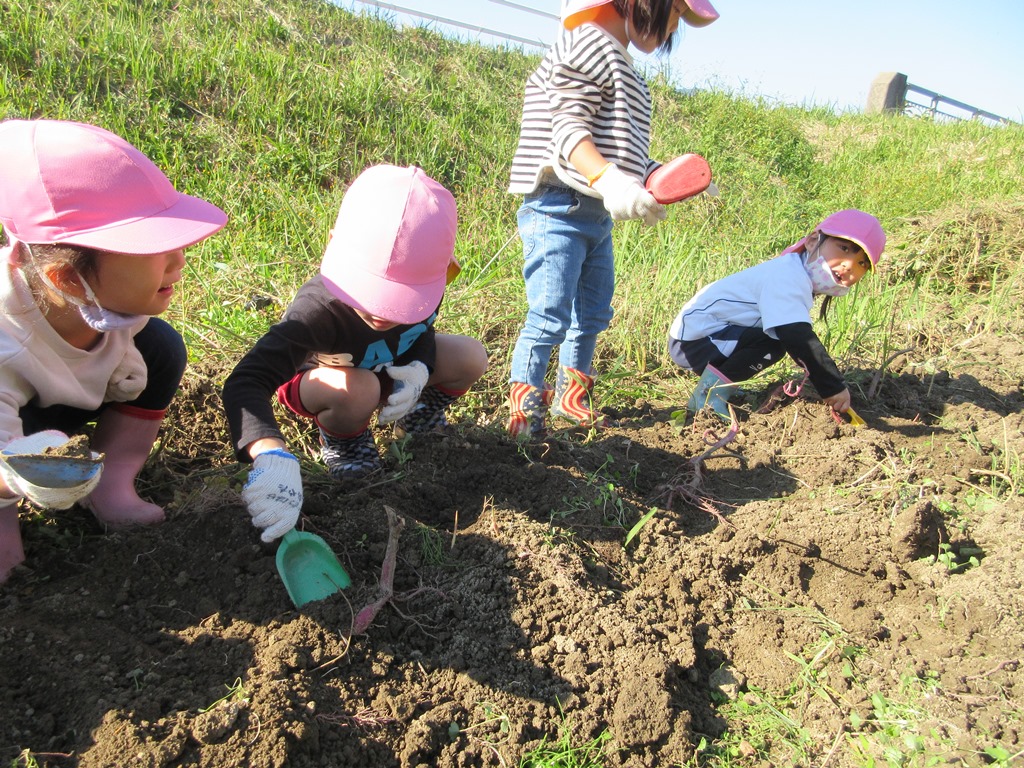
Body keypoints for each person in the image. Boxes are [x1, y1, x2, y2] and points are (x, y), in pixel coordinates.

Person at [0, 118, 227, 583]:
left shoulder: (102, 302)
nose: (179, 261)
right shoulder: (7, 343)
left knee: (161, 347)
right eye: (153, 250)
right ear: (66, 278)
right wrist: (16, 477)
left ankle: (112, 480)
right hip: (13, 422)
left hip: (62, 394)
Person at [223, 164, 488, 544]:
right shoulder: (318, 310)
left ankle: (415, 419)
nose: (382, 311)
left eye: (402, 300)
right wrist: (269, 454)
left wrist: (420, 369)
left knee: (471, 356)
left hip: (387, 369)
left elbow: (421, 332)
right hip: (323, 384)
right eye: (371, 291)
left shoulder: (429, 284)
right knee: (359, 388)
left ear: (444, 272)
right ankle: (344, 442)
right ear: (333, 244)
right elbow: (247, 381)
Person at [505, 0, 719, 438]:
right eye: (675, 11)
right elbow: (568, 128)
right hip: (558, 206)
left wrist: (661, 177)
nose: (674, 25)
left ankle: (571, 397)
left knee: (594, 312)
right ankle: (525, 411)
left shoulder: (622, 67)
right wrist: (607, 179)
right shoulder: (585, 43)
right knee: (549, 314)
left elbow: (623, 153)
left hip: (596, 214)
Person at [668, 209, 886, 420]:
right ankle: (708, 397)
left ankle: (723, 383)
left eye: (861, 263)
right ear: (812, 241)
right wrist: (832, 386)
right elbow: (798, 338)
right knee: (775, 343)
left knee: (776, 340)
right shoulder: (787, 277)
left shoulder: (794, 273)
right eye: (844, 248)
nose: (849, 265)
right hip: (695, 342)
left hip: (707, 335)